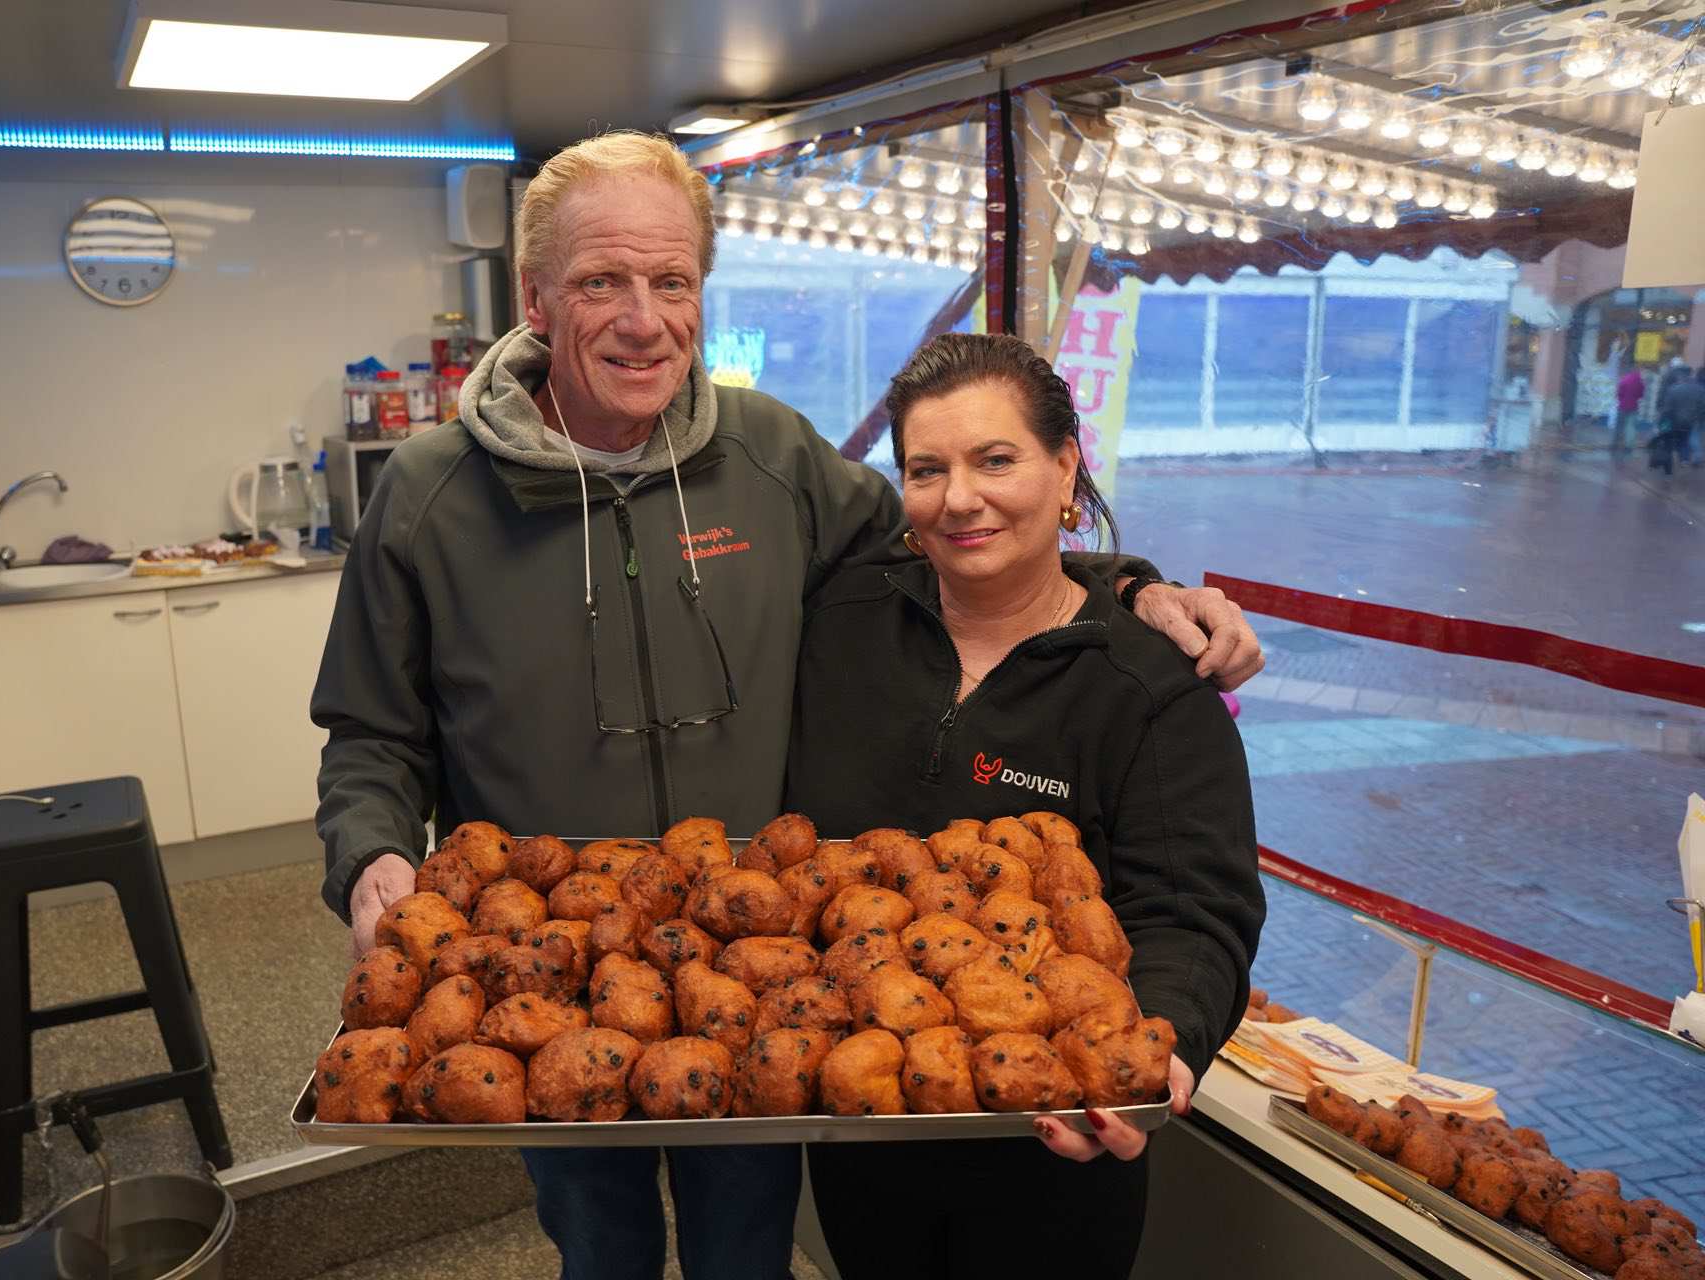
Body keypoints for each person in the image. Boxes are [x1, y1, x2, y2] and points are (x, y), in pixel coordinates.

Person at [310, 132, 1264, 1280]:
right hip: (545, 974)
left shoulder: (772, 456)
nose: (641, 318)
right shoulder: (426, 498)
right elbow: (370, 733)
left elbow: (962, 542)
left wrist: (1126, 589)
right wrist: (369, 853)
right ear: (538, 297)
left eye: (673, 282)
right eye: (602, 281)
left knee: (744, 1249)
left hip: (758, 972)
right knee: (600, 1246)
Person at [785, 333, 1264, 1280]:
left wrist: (1164, 1041)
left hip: (1053, 1144)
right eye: (927, 469)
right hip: (868, 1123)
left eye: (995, 459)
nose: (959, 498)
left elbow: (1194, 911)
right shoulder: (838, 625)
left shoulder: (1146, 689)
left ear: (1064, 468)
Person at [1651, 364, 1703, 474]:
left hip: (1673, 421)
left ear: (1681, 376)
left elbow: (1667, 409)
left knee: (1668, 442)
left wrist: (1661, 423)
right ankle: (1684, 459)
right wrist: (1697, 417)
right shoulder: (1699, 390)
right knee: (1684, 441)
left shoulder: (1674, 389)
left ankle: (1668, 468)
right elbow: (1702, 406)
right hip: (1689, 421)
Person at [1614, 363, 1645, 455]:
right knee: (1630, 427)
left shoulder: (1624, 380)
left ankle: (1615, 444)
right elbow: (1641, 395)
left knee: (1619, 426)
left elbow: (1619, 393)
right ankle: (1628, 446)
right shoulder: (1640, 381)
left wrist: (1621, 400)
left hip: (1623, 406)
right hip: (1634, 406)